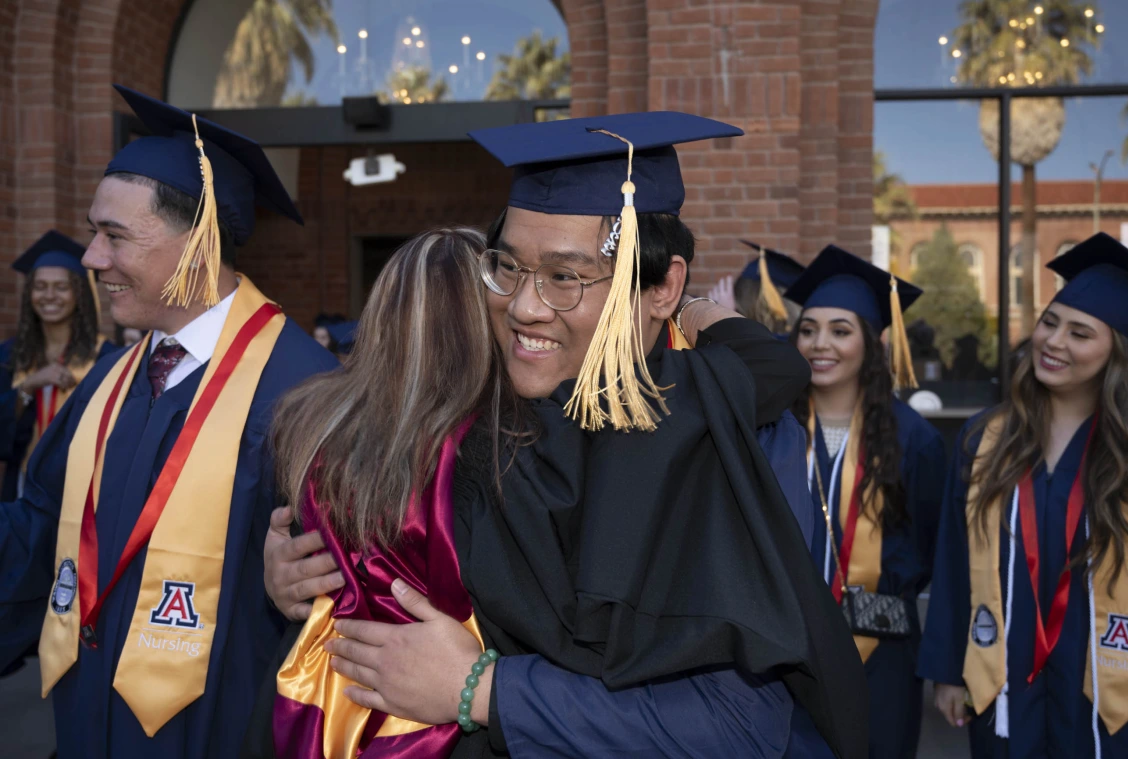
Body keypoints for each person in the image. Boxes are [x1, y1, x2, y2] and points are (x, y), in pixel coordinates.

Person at [262, 112, 868, 758]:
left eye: (565, 277)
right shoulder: (480, 407)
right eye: (508, 267)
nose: (524, 305)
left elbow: (737, 726)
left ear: (662, 286)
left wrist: (482, 688)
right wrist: (307, 578)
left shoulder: (705, 442)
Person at [0, 85, 340, 759]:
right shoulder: (108, 381)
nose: (91, 258)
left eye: (114, 235)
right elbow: (36, 536)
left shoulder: (304, 392)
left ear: (198, 244)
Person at [918, 232, 1128, 759]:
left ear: (1120, 353)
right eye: (1049, 322)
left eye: (1080, 332)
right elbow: (952, 559)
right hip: (1003, 670)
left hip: (1109, 675)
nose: (1054, 342)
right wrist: (948, 671)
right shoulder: (985, 437)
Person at [782, 245, 947, 759]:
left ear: (873, 342)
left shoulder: (912, 438)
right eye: (808, 330)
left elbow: (928, 545)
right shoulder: (776, 429)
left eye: (840, 330)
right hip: (788, 648)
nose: (819, 344)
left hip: (883, 650)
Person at [0, 232, 117, 501]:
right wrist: (29, 386)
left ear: (79, 294)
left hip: (86, 491)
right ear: (29, 293)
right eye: (40, 286)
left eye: (61, 287)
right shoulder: (9, 356)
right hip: (21, 489)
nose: (49, 295)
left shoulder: (107, 357)